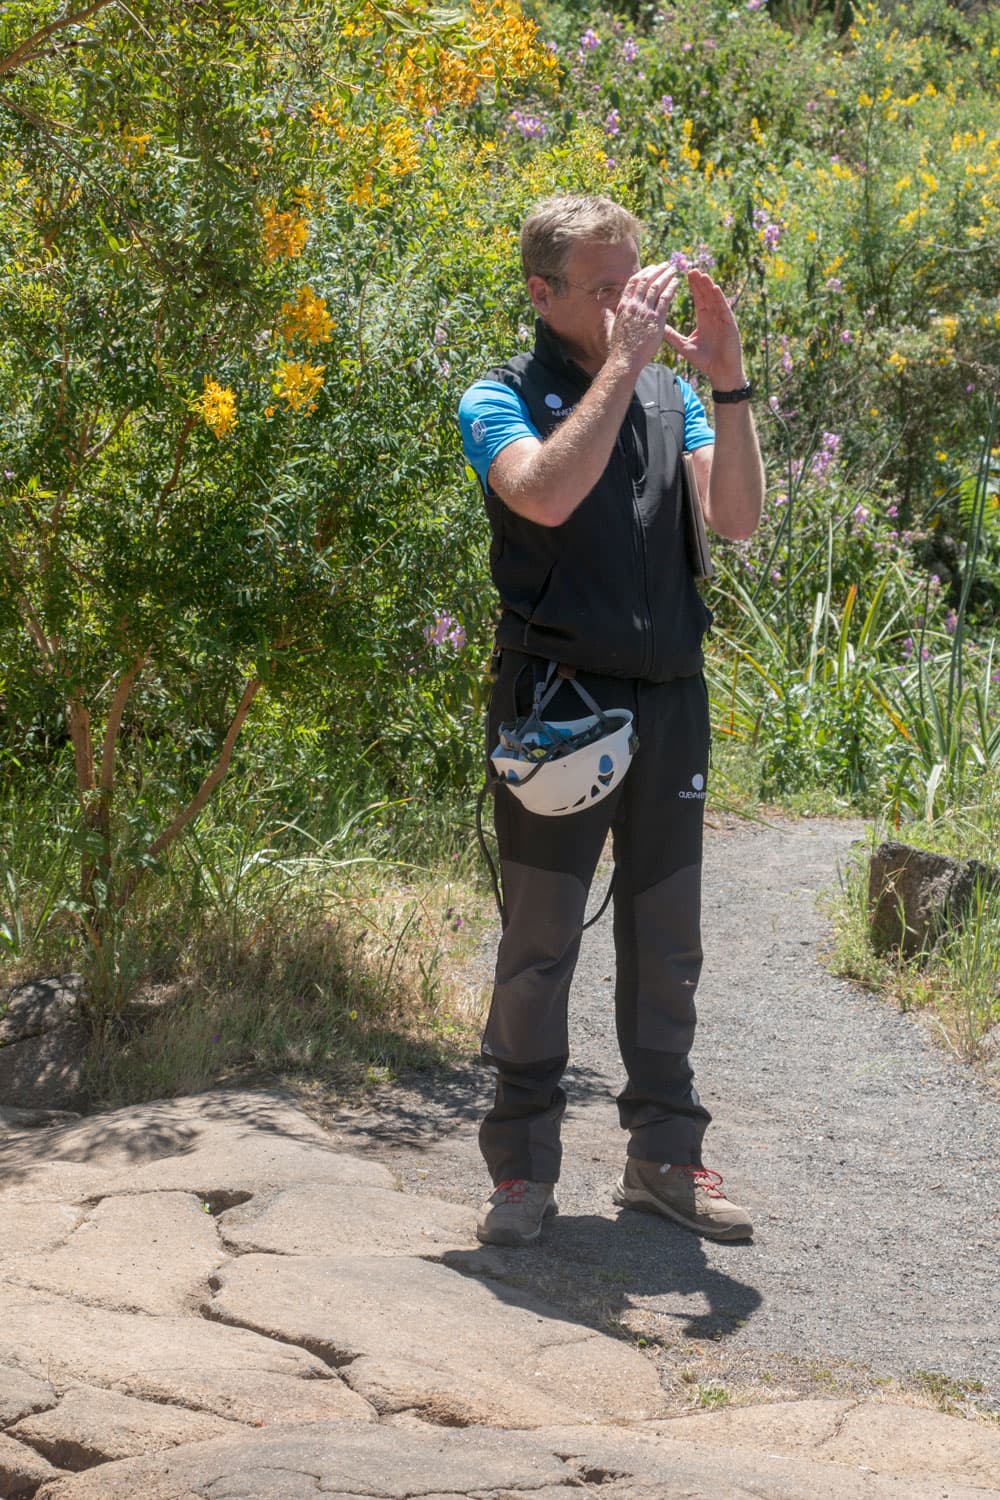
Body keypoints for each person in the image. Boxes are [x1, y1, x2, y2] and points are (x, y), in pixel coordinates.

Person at [457, 194, 764, 1248]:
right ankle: (520, 1172)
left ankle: (663, 1159)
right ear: (541, 295)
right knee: (539, 946)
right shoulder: (496, 397)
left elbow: (734, 520)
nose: (632, 302)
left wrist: (724, 381)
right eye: (603, 286)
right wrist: (623, 369)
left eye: (637, 279)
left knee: (666, 944)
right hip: (556, 704)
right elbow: (540, 494)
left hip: (671, 697)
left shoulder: (670, 393)